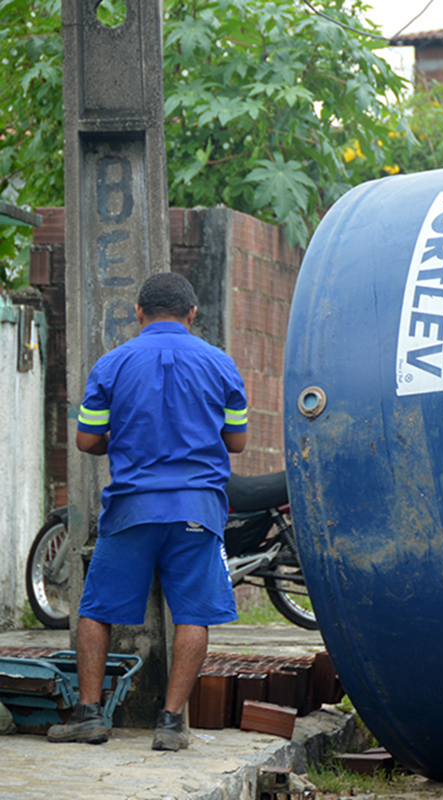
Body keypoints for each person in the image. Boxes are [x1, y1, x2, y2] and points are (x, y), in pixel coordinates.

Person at [48, 272, 247, 750]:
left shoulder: (112, 364)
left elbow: (86, 439)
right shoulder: (221, 365)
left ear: (139, 313)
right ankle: (171, 723)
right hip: (197, 508)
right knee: (192, 614)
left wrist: (130, 439)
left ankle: (90, 715)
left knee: (96, 610)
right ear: (192, 314)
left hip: (132, 509)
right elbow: (236, 442)